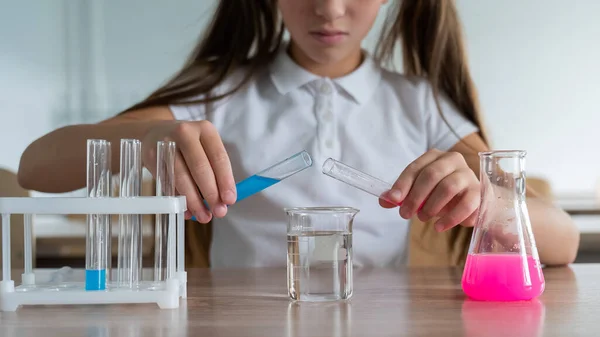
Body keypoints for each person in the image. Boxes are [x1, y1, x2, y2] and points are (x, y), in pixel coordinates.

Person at [18, 0, 579, 268]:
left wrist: (489, 203)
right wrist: (143, 140)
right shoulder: (222, 96)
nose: (329, 10)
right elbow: (35, 167)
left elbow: (565, 243)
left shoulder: (424, 105)